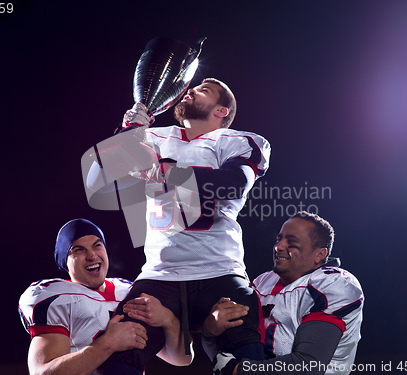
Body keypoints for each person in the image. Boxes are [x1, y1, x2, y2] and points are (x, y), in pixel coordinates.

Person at [86, 78, 271, 374]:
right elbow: (96, 179)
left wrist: (166, 171)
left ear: (221, 110)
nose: (190, 91)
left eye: (203, 90)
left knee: (246, 354)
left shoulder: (236, 141)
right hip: (160, 274)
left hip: (219, 271)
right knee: (120, 351)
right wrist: (126, 133)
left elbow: (233, 184)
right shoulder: (154, 138)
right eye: (192, 87)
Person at [18, 218, 192, 375]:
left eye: (97, 245)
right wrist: (108, 343)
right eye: (78, 250)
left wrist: (169, 320)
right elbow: (43, 373)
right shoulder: (56, 298)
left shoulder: (129, 291)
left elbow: (182, 359)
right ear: (66, 261)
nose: (92, 255)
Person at [207, 211, 364, 375]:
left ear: (320, 254)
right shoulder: (262, 283)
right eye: (279, 239)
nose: (278, 247)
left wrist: (239, 370)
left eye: (292, 242)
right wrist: (210, 331)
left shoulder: (333, 285)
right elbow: (221, 358)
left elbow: (308, 366)